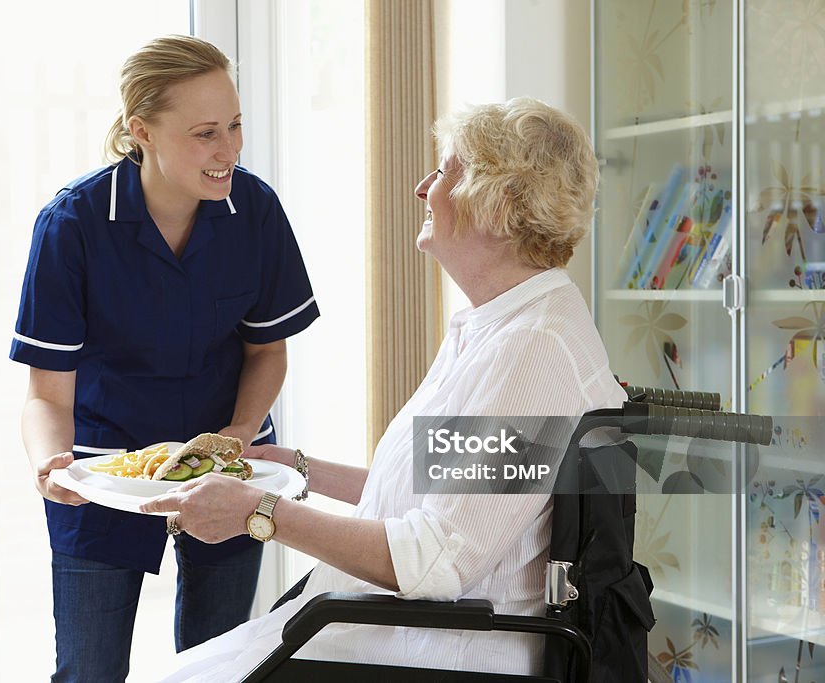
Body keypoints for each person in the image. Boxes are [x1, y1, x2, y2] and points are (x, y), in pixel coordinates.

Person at [139, 97, 628, 681]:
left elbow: (436, 559)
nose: (424, 187)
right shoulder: (498, 327)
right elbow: (440, 502)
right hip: (393, 637)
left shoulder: (534, 350)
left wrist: (259, 511)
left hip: (435, 657)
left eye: (447, 171)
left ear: (499, 206)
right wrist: (299, 469)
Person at [9, 35, 320, 682]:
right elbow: (46, 393)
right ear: (140, 130)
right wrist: (49, 464)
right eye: (206, 132)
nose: (229, 149)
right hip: (105, 464)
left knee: (220, 665)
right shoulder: (72, 227)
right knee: (88, 670)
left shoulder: (254, 212)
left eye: (234, 126)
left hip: (230, 458)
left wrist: (235, 438)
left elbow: (267, 350)